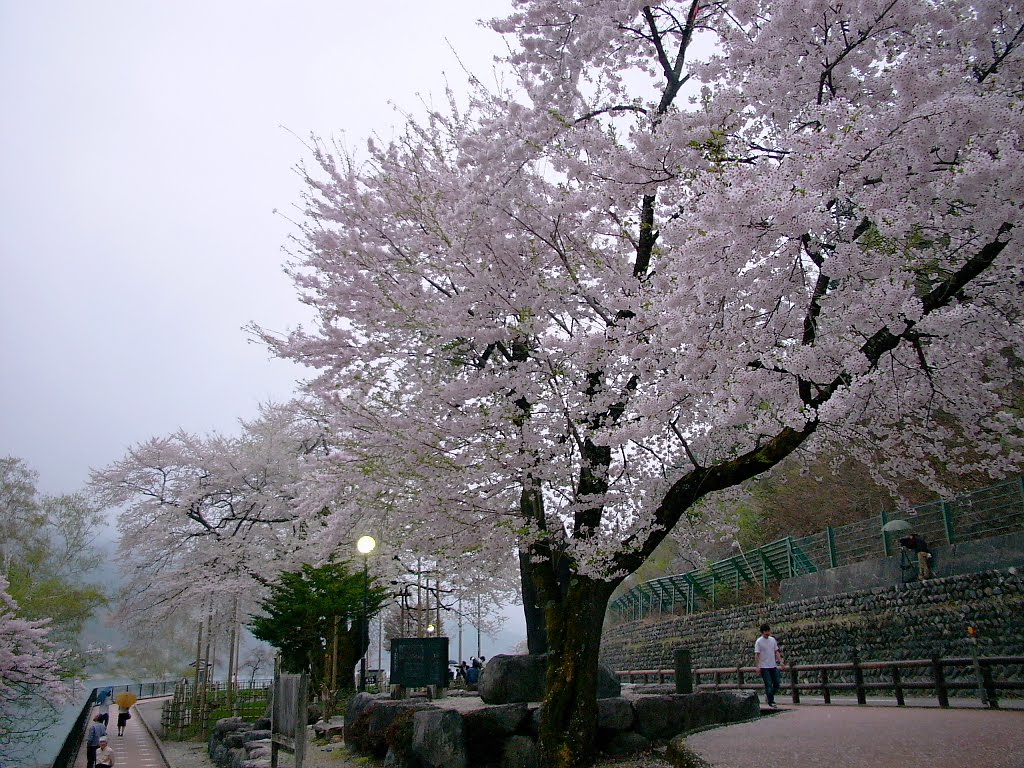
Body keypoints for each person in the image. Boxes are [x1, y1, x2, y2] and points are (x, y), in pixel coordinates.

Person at [754, 623, 784, 708]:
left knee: (777, 684)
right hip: (764, 666)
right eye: (765, 631)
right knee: (768, 684)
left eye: (768, 631)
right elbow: (757, 654)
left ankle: (768, 696)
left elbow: (776, 652)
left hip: (773, 665)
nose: (767, 633)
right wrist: (758, 666)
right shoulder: (759, 641)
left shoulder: (772, 640)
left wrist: (780, 661)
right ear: (762, 632)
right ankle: (771, 701)